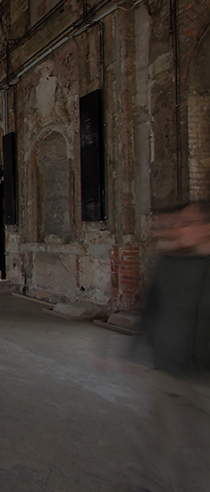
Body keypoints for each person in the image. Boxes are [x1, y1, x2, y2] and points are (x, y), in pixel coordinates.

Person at [133, 201, 210, 492]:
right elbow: (150, 309)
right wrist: (134, 352)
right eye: (177, 222)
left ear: (206, 229)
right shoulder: (169, 263)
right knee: (161, 441)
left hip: (205, 374)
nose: (177, 228)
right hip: (168, 366)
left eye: (186, 223)